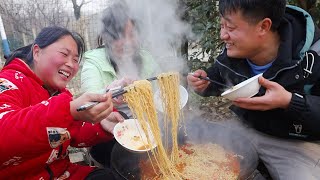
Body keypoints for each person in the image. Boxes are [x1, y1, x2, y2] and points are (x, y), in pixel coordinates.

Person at [187, 0, 320, 179]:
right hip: (244, 130)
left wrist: (290, 101)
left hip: (293, 143)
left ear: (263, 26)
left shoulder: (314, 55)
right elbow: (219, 77)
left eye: (230, 28)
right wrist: (204, 83)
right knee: (195, 157)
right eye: (222, 26)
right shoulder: (235, 53)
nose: (222, 35)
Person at [0, 26, 123, 179]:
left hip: (64, 174)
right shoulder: (8, 83)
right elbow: (4, 136)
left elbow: (73, 134)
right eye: (64, 54)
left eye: (75, 60)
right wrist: (68, 110)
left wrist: (102, 125)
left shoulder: (60, 93)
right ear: (37, 52)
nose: (71, 64)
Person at [80, 0, 158, 167]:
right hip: (109, 134)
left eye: (132, 35)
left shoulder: (147, 59)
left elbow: (159, 94)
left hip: (146, 129)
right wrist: (111, 92)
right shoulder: (94, 61)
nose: (128, 42)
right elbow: (87, 101)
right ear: (108, 37)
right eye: (119, 36)